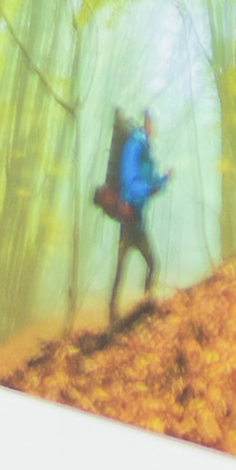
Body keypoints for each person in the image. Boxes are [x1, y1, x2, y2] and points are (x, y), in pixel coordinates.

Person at [103, 109, 170, 322]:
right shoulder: (135, 144)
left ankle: (138, 308)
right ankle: (134, 309)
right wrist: (147, 189)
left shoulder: (144, 147)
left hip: (136, 219)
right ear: (146, 123)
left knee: (134, 264)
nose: (154, 129)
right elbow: (130, 180)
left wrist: (162, 181)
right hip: (130, 216)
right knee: (145, 263)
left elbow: (147, 181)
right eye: (152, 124)